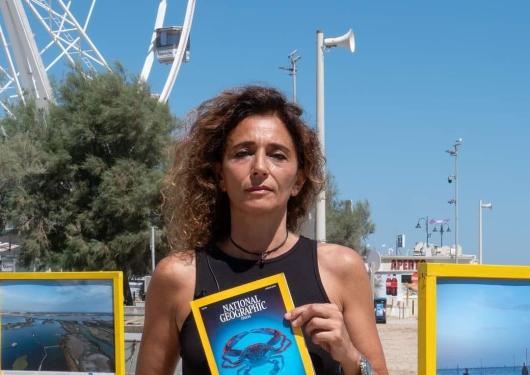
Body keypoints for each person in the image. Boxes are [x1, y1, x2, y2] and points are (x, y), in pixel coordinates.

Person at [135, 86, 388, 375]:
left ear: (298, 181)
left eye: (277, 155)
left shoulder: (341, 268)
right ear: (219, 175)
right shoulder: (178, 276)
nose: (259, 167)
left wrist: (351, 357)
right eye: (243, 153)